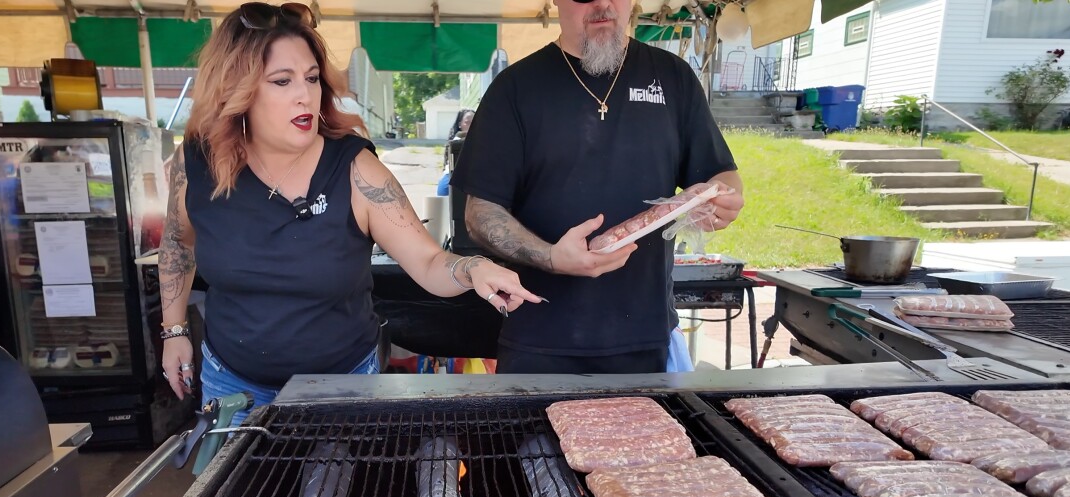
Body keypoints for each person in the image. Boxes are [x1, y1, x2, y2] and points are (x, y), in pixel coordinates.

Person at [158, 2, 541, 422]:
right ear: (237, 89)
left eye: (311, 78)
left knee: (338, 489)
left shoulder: (356, 170)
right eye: (281, 81)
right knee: (239, 489)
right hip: (232, 381)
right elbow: (178, 244)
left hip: (342, 382)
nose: (305, 94)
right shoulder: (195, 163)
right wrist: (174, 331)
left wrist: (473, 268)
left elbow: (429, 261)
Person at [452, 0, 745, 375]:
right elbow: (480, 213)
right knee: (532, 437)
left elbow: (721, 174)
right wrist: (552, 257)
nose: (603, 3)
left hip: (646, 333)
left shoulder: (673, 77)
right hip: (540, 336)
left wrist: (724, 197)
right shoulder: (516, 88)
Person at [436, 109, 474, 196]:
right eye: (467, 122)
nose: (471, 125)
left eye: (475, 122)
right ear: (460, 124)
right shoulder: (457, 141)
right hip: (450, 182)